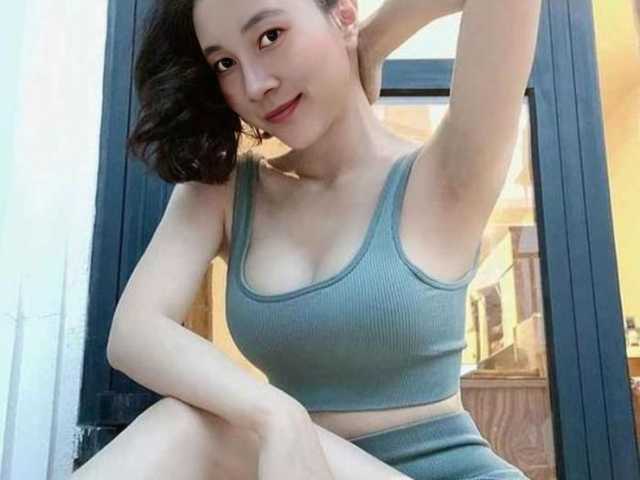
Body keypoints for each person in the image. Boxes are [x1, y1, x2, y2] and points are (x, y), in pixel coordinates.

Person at [72, 0, 542, 479]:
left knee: (186, 431)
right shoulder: (226, 192)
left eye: (270, 36)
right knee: (186, 427)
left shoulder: (444, 177)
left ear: (343, 13)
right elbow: (134, 332)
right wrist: (275, 414)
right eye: (225, 63)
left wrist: (370, 39)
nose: (254, 85)